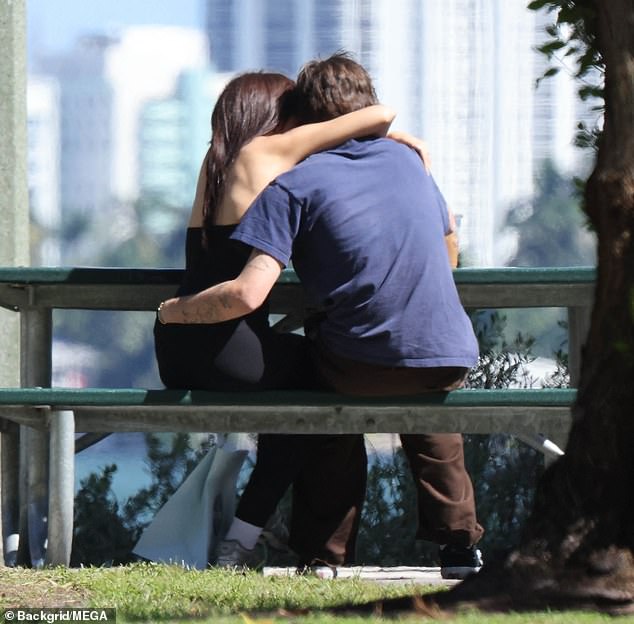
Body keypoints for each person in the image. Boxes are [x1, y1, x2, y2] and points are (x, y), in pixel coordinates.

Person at [157, 52, 484, 579]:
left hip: (299, 358)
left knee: (327, 408)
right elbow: (449, 251)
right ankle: (460, 548)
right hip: (446, 353)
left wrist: (170, 312)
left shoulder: (272, 175)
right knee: (426, 415)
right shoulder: (407, 170)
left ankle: (323, 557)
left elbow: (249, 287)